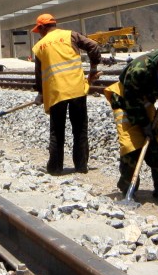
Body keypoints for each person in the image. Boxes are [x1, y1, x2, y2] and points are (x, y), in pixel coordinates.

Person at [103, 43, 158, 198]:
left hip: (144, 101)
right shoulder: (139, 70)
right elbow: (132, 102)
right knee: (131, 146)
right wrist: (144, 125)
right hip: (125, 101)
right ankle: (127, 188)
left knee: (156, 145)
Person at [31, 13, 108, 174]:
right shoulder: (70, 35)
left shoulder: (39, 47)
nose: (40, 33)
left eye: (39, 30)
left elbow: (39, 75)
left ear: (43, 27)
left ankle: (55, 167)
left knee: (57, 131)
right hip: (77, 90)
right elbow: (93, 46)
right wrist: (93, 68)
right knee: (80, 129)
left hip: (56, 93)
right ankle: (81, 166)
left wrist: (40, 93)